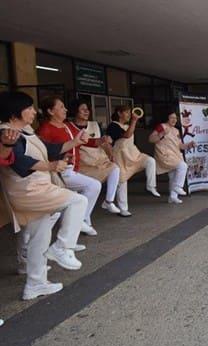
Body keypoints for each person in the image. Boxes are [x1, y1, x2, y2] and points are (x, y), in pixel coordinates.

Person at [0, 91, 89, 298]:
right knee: (78, 201)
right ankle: (63, 246)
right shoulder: (8, 133)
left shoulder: (25, 130)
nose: (33, 111)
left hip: (34, 188)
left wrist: (74, 143)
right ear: (15, 112)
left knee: (40, 236)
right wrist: (50, 165)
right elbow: (19, 163)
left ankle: (35, 284)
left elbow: (49, 148)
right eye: (29, 107)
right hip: (29, 191)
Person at [37, 96, 102, 236]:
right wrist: (60, 158)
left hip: (73, 167)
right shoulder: (46, 129)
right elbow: (43, 152)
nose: (65, 109)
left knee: (72, 205)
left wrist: (99, 141)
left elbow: (80, 142)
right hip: (60, 171)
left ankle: (70, 237)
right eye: (61, 107)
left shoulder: (66, 125)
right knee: (93, 186)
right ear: (50, 111)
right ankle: (79, 222)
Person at [66, 100, 121, 215]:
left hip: (99, 161)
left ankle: (108, 201)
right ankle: (83, 218)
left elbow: (103, 142)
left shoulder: (95, 125)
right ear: (75, 111)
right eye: (83, 109)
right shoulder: (68, 127)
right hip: (82, 165)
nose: (86, 111)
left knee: (115, 168)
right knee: (87, 191)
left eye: (87, 109)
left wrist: (110, 152)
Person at [107, 105, 159, 217]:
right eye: (126, 112)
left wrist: (133, 122)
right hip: (121, 156)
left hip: (133, 154)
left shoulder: (128, 125)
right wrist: (134, 121)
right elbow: (127, 135)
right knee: (122, 181)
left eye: (130, 113)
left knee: (150, 161)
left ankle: (150, 186)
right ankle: (123, 209)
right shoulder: (113, 126)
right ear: (119, 113)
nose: (129, 115)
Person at [149, 110, 194, 204]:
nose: (174, 120)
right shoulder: (162, 126)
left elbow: (180, 145)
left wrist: (189, 144)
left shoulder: (176, 130)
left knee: (173, 175)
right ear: (167, 118)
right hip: (164, 154)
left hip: (175, 154)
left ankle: (173, 197)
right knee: (183, 166)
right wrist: (161, 134)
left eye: (175, 118)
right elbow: (151, 139)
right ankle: (178, 186)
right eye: (172, 117)